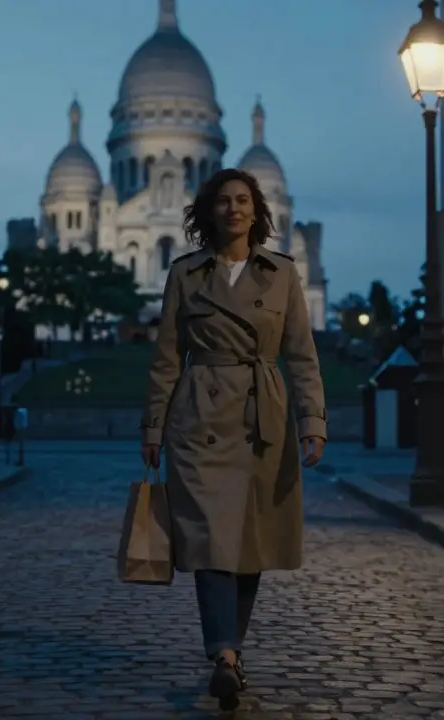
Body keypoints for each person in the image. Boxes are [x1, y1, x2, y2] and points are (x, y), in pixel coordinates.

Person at [139, 168, 327, 710]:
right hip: (198, 419)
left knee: (251, 540)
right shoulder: (185, 275)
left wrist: (312, 420)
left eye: (243, 200)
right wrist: (153, 425)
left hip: (261, 416)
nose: (234, 210)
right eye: (224, 201)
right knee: (210, 538)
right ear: (209, 210)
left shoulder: (283, 274)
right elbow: (166, 359)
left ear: (256, 209)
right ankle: (223, 653)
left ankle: (231, 651)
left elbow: (302, 356)